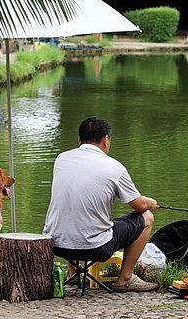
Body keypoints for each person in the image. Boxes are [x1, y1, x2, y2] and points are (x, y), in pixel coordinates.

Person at [43, 117, 159, 292]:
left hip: (56, 245)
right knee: (147, 218)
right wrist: (150, 202)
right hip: (96, 249)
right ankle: (125, 279)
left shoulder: (61, 159)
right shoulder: (114, 167)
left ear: (79, 140)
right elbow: (139, 206)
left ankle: (72, 271)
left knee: (72, 211)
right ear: (106, 140)